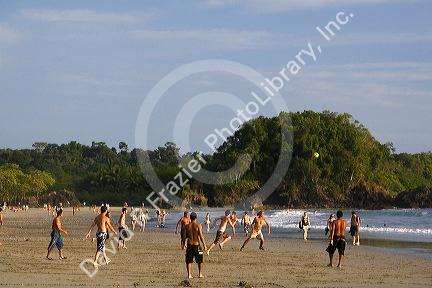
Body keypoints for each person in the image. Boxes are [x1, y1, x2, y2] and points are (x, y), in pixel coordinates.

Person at [185, 212, 207, 279]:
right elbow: (201, 236)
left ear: (190, 218)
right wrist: (204, 245)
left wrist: (183, 244)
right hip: (196, 245)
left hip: (189, 245)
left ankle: (189, 275)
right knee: (200, 259)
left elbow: (185, 236)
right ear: (196, 218)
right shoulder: (198, 225)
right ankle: (200, 274)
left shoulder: (187, 226)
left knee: (189, 260)